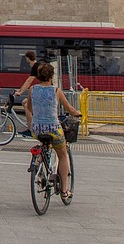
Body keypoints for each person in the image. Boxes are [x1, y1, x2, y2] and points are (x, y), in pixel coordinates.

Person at [25, 60, 82, 199]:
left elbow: (30, 108)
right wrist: (78, 114)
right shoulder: (56, 91)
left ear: (38, 76)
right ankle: (63, 191)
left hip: (37, 129)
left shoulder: (32, 90)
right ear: (51, 77)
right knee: (62, 155)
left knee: (43, 143)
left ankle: (39, 160)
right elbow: (70, 109)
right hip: (53, 129)